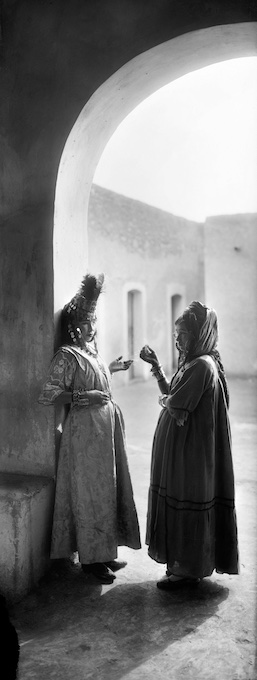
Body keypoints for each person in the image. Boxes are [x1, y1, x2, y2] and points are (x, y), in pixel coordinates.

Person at [39, 273, 141, 584]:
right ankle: (90, 560)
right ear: (72, 326)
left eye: (92, 321)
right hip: (83, 436)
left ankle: (104, 551)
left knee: (106, 491)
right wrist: (86, 396)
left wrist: (110, 369)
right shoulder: (66, 355)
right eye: (84, 323)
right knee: (89, 495)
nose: (90, 327)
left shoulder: (91, 354)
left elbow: (91, 377)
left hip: (104, 433)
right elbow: (47, 395)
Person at [140, 300, 239, 590]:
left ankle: (187, 570)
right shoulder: (195, 364)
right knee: (185, 503)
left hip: (192, 454)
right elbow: (173, 393)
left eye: (182, 334)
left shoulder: (202, 366)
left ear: (198, 335)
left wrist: (166, 401)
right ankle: (185, 566)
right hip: (188, 451)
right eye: (176, 333)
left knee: (189, 504)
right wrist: (158, 368)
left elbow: (175, 402)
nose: (177, 339)